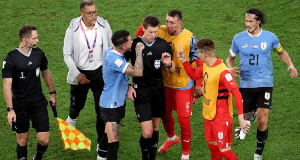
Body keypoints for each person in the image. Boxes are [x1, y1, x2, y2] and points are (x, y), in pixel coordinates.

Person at [226, 8, 298, 160]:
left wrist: (290, 64)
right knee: (244, 122)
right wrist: (230, 69)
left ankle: (258, 153)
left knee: (262, 120)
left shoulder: (270, 37)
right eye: (246, 21)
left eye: (251, 21)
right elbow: (230, 58)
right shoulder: (238, 38)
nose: (247, 24)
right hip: (245, 84)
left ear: (259, 21)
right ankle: (243, 129)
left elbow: (281, 52)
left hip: (265, 83)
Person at [136, 9, 202, 160]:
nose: (168, 25)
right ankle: (172, 139)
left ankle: (185, 155)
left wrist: (198, 84)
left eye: (172, 22)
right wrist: (146, 23)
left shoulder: (190, 38)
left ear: (180, 23)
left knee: (184, 120)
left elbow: (200, 63)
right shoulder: (160, 31)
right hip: (163, 84)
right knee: (164, 115)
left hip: (183, 84)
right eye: (167, 21)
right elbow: (140, 34)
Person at [177, 38, 251, 160]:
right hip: (209, 114)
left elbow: (237, 94)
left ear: (204, 54)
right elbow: (195, 75)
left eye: (198, 52)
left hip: (221, 117)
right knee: (213, 146)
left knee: (225, 151)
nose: (198, 55)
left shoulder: (223, 72)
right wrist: (184, 60)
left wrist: (241, 119)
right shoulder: (206, 66)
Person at [63, 0, 112, 159]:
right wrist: (77, 73)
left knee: (101, 111)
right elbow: (67, 54)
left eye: (95, 12)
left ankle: (100, 143)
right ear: (81, 13)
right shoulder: (73, 28)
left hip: (99, 73)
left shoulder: (104, 25)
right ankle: (72, 117)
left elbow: (111, 48)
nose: (94, 16)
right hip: (80, 73)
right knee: (77, 104)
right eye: (90, 13)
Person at [2, 24, 57, 160]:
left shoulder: (39, 54)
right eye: (35, 38)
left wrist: (52, 93)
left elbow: (46, 73)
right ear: (25, 39)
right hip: (20, 104)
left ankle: (37, 158)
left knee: (44, 139)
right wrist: (10, 110)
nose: (37, 40)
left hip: (38, 102)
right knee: (22, 140)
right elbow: (7, 86)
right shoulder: (11, 58)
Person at [126, 15, 175, 160]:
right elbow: (121, 66)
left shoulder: (163, 45)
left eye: (155, 32)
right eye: (150, 32)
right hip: (141, 90)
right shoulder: (134, 44)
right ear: (143, 28)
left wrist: (168, 64)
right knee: (147, 132)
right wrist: (128, 85)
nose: (153, 35)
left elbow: (171, 70)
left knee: (155, 128)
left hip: (158, 90)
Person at [100, 30, 144, 160]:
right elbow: (137, 72)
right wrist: (139, 52)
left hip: (115, 103)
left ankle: (100, 156)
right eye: (130, 40)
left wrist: (129, 86)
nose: (133, 42)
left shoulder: (111, 51)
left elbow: (120, 75)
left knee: (107, 134)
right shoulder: (114, 59)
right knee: (114, 144)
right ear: (124, 46)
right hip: (110, 106)